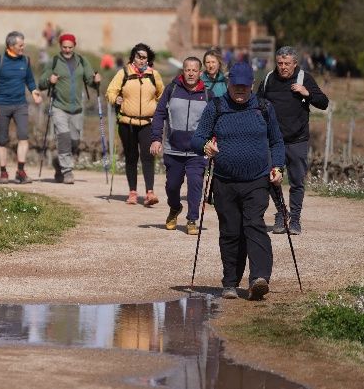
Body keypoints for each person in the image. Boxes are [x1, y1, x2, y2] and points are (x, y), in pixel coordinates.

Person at [191, 62, 285, 301]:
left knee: (254, 225)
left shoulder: (264, 108)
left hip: (257, 180)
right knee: (231, 232)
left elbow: (276, 142)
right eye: (236, 86)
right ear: (229, 84)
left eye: (244, 87)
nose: (240, 91)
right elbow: (197, 138)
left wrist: (278, 166)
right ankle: (230, 283)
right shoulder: (217, 106)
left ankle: (259, 279)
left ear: (252, 85)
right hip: (225, 182)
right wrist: (206, 146)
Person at [257, 46, 329, 235]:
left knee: (297, 182)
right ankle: (282, 213)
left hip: (297, 140)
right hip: (273, 141)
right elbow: (256, 104)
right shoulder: (268, 80)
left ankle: (295, 219)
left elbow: (323, 102)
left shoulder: (304, 78)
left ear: (295, 63)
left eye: (287, 64)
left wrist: (307, 93)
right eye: (280, 63)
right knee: (272, 179)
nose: (283, 67)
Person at [150, 57, 212, 235]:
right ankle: (175, 208)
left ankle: (192, 219)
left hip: (197, 151)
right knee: (172, 186)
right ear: (182, 71)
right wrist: (156, 138)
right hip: (173, 149)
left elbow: (215, 120)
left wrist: (212, 140)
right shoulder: (172, 89)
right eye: (187, 69)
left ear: (200, 73)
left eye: (194, 70)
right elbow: (159, 113)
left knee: (195, 184)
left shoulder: (208, 94)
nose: (191, 73)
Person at [106, 43, 164, 205]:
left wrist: (157, 108)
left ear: (148, 59)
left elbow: (161, 94)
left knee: (147, 156)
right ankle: (132, 192)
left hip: (147, 123)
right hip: (127, 123)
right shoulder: (123, 73)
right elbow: (111, 91)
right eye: (138, 56)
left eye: (144, 57)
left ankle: (150, 193)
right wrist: (115, 98)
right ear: (133, 57)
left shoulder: (154, 75)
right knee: (131, 157)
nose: (141, 60)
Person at [38, 33, 99, 184]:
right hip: (59, 106)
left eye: (70, 47)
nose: (67, 50)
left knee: (75, 141)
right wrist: (49, 80)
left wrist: (95, 80)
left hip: (77, 108)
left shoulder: (82, 61)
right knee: (64, 138)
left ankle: (58, 163)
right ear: (60, 46)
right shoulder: (54, 61)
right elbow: (41, 83)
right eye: (64, 47)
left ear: (74, 46)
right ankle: (67, 171)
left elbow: (90, 80)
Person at [0, 31, 43, 183]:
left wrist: (34, 91)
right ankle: (3, 172)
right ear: (11, 46)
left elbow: (29, 80)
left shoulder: (25, 60)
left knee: (24, 136)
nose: (23, 47)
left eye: (23, 44)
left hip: (20, 105)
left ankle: (21, 171)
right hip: (1, 105)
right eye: (20, 45)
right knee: (2, 140)